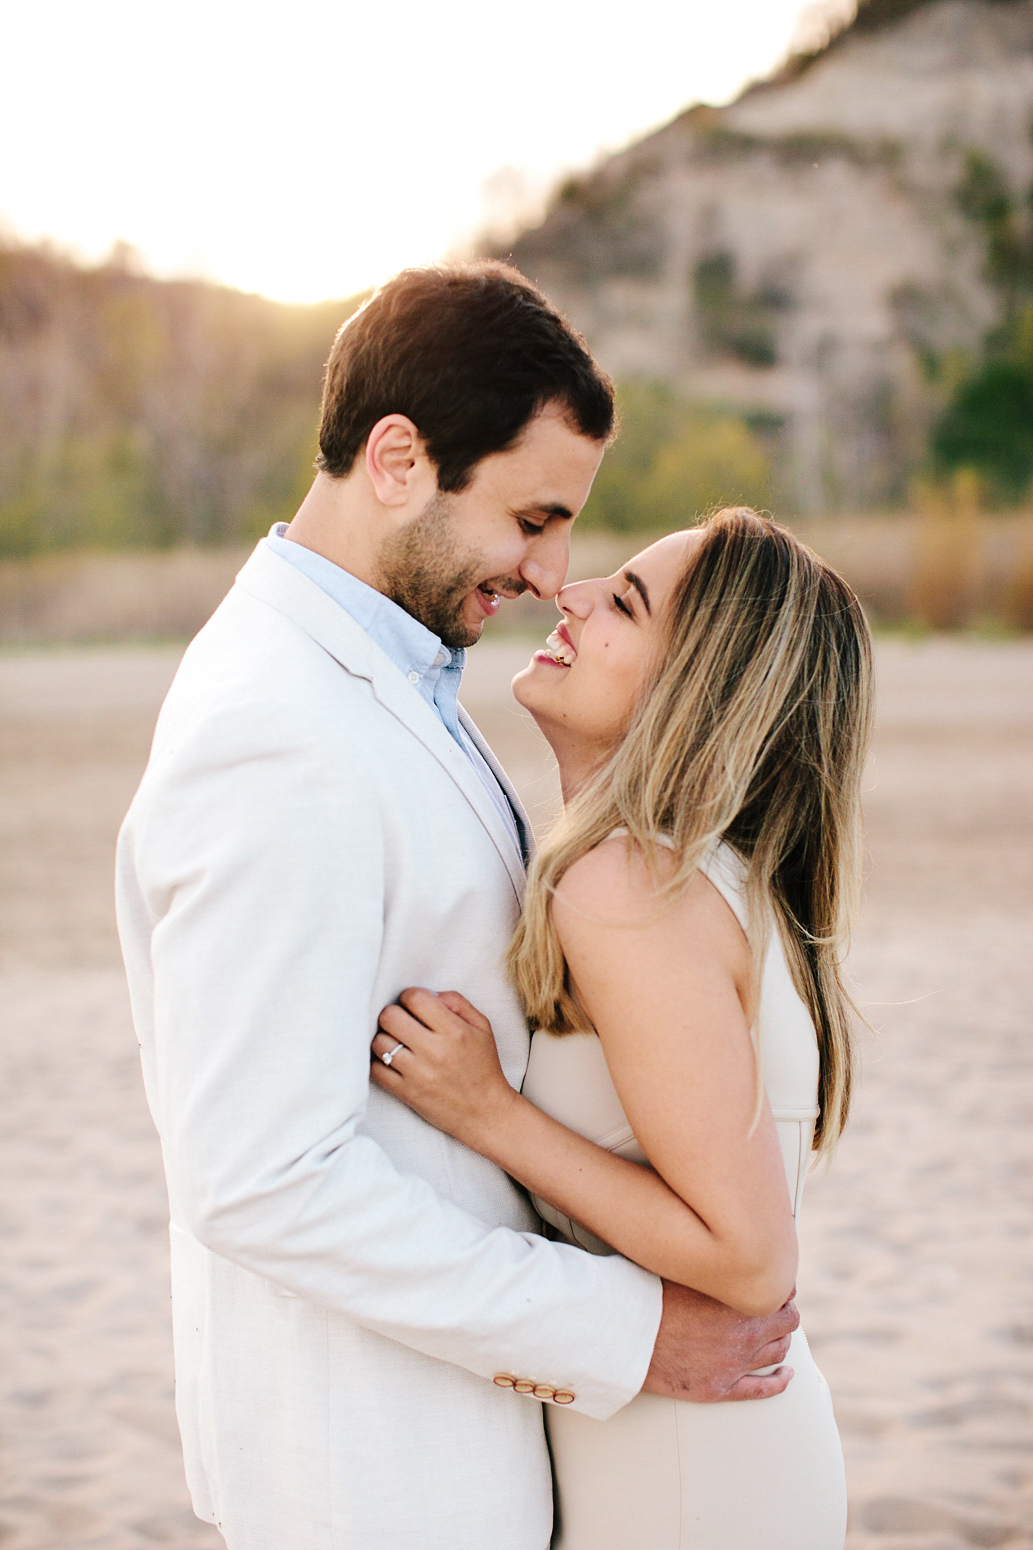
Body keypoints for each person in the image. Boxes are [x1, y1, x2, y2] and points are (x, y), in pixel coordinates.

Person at [115, 265, 798, 1550]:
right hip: (374, 1475)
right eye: (532, 518)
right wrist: (626, 1332)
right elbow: (260, 1177)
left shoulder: (387, 677)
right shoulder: (276, 726)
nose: (551, 572)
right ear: (395, 458)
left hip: (460, 1456)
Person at [371, 508, 874, 1549]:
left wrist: (489, 1113)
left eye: (627, 603)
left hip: (691, 1477)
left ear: (694, 688)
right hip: (710, 1450)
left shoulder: (627, 887)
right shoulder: (706, 879)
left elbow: (747, 1260)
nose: (573, 593)